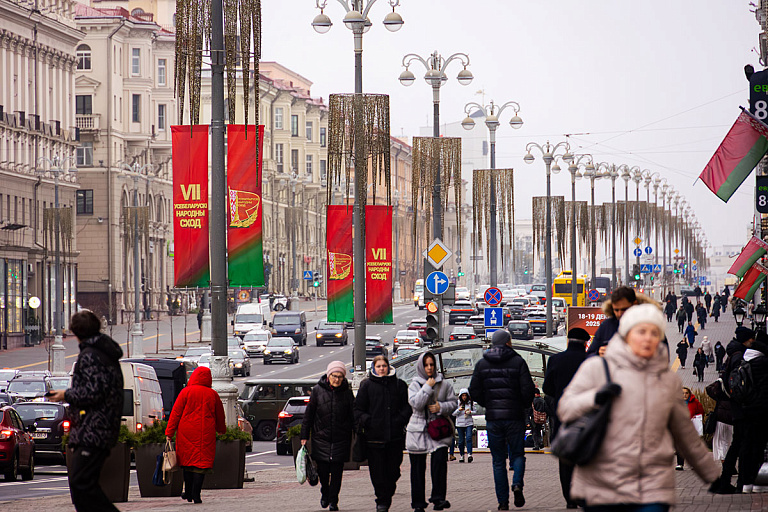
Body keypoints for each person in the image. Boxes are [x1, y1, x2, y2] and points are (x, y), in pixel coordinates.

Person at [558, 304, 721, 510]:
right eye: (641, 331)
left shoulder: (666, 380)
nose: (647, 338)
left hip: (652, 485)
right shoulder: (597, 368)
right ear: (626, 334)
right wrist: (594, 397)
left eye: (654, 332)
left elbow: (684, 434)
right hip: (601, 484)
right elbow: (565, 408)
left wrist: (712, 475)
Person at [48, 310, 124, 512]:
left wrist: (65, 395)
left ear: (76, 331)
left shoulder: (91, 355)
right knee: (83, 483)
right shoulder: (101, 352)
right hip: (100, 427)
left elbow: (94, 392)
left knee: (81, 482)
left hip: (94, 429)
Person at [469, 329, 535, 510]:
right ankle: (517, 484)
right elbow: (528, 389)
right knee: (518, 454)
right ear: (508, 342)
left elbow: (474, 390)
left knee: (498, 461)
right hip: (515, 417)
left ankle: (503, 502)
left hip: (493, 419)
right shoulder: (518, 361)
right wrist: (521, 405)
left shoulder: (482, 364)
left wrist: (488, 403)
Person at [354, 355, 412, 512]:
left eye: (384, 366)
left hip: (395, 437)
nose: (381, 369)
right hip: (374, 438)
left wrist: (400, 420)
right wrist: (368, 421)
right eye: (378, 366)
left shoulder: (399, 385)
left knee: (393, 471)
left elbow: (406, 408)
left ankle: (387, 493)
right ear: (374, 368)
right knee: (377, 473)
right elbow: (358, 409)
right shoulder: (367, 386)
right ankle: (381, 501)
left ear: (388, 367)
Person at [543, 327, 589, 509]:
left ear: (568, 341)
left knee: (566, 459)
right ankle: (583, 495)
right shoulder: (591, 361)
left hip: (563, 415)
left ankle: (569, 498)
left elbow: (547, 388)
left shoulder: (555, 360)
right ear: (586, 343)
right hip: (586, 415)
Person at [165, 366, 225, 504]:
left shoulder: (186, 392)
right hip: (206, 433)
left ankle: (188, 492)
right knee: (201, 465)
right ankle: (196, 495)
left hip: (186, 432)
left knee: (187, 463)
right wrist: (221, 429)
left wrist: (169, 432)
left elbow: (175, 414)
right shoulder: (212, 394)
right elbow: (220, 415)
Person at [406, 352, 457, 512]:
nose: (429, 368)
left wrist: (441, 407)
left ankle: (438, 498)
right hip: (418, 429)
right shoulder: (414, 384)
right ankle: (418, 503)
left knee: (440, 463)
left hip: (438, 428)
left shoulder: (444, 384)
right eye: (426, 365)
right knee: (417, 469)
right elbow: (416, 404)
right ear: (421, 366)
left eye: (432, 365)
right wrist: (427, 387)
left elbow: (453, 403)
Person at [301, 361, 355, 511]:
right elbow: (309, 415)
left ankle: (333, 500)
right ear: (328, 375)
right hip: (321, 438)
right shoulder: (317, 391)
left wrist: (359, 432)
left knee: (337, 472)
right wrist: (304, 435)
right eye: (334, 376)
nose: (337, 379)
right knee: (323, 472)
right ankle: (325, 492)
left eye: (340, 377)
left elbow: (353, 415)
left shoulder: (347, 393)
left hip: (341, 439)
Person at [712, 326, 754, 494]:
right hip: (741, 407)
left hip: (737, 407)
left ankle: (728, 480)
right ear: (746, 340)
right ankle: (734, 481)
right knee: (740, 444)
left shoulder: (733, 354)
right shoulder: (739, 356)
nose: (752, 341)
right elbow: (737, 384)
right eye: (751, 339)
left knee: (738, 444)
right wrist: (743, 400)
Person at [733, 333, 768, 493]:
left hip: (744, 410)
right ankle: (759, 483)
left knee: (746, 446)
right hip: (761, 411)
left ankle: (744, 483)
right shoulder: (763, 363)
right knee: (759, 447)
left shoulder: (743, 362)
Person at [587, 287, 654, 356]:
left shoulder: (650, 325)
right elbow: (589, 355)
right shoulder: (606, 326)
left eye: (624, 309)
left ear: (635, 304)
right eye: (616, 310)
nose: (619, 314)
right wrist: (598, 353)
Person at [677, 387, 705, 470]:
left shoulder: (695, 402)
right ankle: (680, 464)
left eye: (686, 393)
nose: (684, 395)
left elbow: (701, 412)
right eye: (682, 393)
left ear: (689, 394)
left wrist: (696, 418)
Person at [451, 388, 476, 463]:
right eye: (463, 396)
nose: (464, 397)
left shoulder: (470, 403)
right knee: (461, 441)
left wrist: (470, 412)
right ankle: (462, 455)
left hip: (469, 423)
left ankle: (469, 454)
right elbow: (453, 413)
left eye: (465, 395)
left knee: (468, 438)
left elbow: (475, 411)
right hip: (460, 424)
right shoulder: (457, 403)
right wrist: (459, 410)